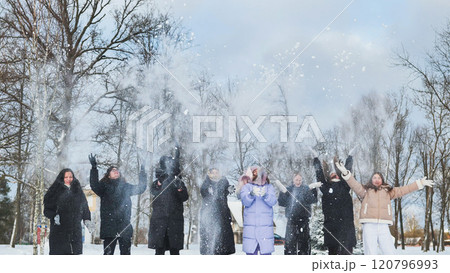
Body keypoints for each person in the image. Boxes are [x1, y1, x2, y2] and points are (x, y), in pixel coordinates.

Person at [335, 160, 434, 255]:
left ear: (382, 180)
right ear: (371, 180)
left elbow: (405, 189)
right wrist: (345, 172)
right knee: (370, 253)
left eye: (379, 178)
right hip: (369, 225)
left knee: (389, 252)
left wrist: (419, 183)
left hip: (383, 225)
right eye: (374, 177)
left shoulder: (388, 191)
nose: (377, 180)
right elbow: (354, 184)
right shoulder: (365, 191)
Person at [89, 154, 147, 255]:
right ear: (108, 175)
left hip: (124, 225)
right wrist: (94, 168)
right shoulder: (103, 187)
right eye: (113, 170)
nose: (116, 171)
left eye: (117, 170)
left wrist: (142, 171)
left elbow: (141, 188)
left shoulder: (125, 187)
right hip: (109, 226)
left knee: (125, 254)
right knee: (108, 254)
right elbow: (94, 185)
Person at [311, 147, 357, 255]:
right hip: (331, 226)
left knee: (347, 253)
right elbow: (319, 174)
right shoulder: (326, 187)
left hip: (346, 225)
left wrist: (350, 157)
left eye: (335, 173)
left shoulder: (345, 185)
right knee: (333, 253)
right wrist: (316, 159)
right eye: (331, 173)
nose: (334, 174)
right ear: (329, 177)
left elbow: (347, 171)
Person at [148, 147, 189, 255]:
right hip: (159, 220)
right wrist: (159, 183)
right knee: (159, 250)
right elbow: (154, 192)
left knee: (174, 250)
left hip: (174, 220)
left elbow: (185, 197)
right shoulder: (157, 181)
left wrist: (180, 188)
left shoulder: (178, 181)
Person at [44, 168, 92, 255]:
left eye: (70, 177)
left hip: (75, 230)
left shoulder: (78, 191)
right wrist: (54, 216)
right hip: (59, 230)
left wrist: (87, 219)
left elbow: (84, 207)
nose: (69, 179)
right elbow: (47, 210)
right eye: (66, 177)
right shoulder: (54, 191)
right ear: (62, 178)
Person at [275, 174, 320, 255]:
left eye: (300, 180)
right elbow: (282, 203)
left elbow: (313, 200)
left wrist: (313, 189)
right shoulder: (288, 190)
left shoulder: (306, 189)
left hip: (304, 220)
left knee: (304, 243)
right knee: (290, 243)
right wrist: (282, 192)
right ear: (293, 180)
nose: (298, 181)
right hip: (291, 221)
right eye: (296, 180)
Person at [240, 166, 277, 255]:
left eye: (261, 175)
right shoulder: (247, 187)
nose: (258, 178)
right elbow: (245, 201)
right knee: (251, 254)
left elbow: (273, 201)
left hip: (265, 230)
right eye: (256, 175)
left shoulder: (269, 187)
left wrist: (266, 195)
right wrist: (251, 195)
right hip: (251, 230)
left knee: (266, 255)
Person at [199, 168, 235, 255]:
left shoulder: (223, 182)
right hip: (210, 218)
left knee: (223, 245)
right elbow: (205, 193)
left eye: (216, 172)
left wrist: (228, 189)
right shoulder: (206, 184)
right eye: (213, 172)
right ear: (209, 174)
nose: (215, 174)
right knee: (211, 246)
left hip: (223, 217)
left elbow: (224, 191)